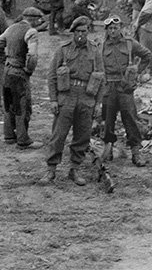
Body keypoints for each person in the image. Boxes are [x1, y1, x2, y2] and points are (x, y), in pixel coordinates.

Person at [40, 16, 105, 186]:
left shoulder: (95, 51)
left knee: (82, 136)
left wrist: (98, 104)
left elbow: (101, 79)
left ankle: (74, 169)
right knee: (58, 135)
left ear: (88, 32)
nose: (81, 35)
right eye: (78, 31)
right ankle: (51, 169)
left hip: (86, 98)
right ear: (73, 32)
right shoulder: (63, 50)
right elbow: (52, 76)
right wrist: (53, 100)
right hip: (66, 97)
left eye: (84, 31)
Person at [99, 16, 152, 166]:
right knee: (108, 119)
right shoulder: (101, 45)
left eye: (116, 28)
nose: (113, 31)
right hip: (109, 86)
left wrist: (137, 71)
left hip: (125, 87)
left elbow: (147, 55)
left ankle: (136, 151)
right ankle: (108, 148)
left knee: (130, 118)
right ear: (107, 30)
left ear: (120, 27)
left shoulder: (130, 44)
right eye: (110, 28)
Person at [0, 7, 45, 149]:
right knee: (22, 106)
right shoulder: (31, 32)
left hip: (8, 71)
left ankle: (9, 135)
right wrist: (29, 69)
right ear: (33, 19)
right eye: (39, 19)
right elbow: (32, 55)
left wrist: (4, 60)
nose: (40, 22)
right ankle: (23, 139)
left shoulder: (11, 28)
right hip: (19, 73)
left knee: (9, 104)